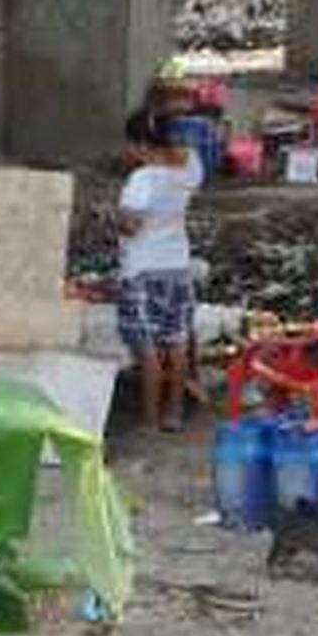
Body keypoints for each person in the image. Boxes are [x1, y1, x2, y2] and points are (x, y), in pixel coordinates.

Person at [117, 109, 205, 433]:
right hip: (178, 267)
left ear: (140, 145)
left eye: (130, 145)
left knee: (148, 347)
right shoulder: (188, 170)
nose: (128, 152)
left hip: (143, 270)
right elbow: (187, 153)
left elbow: (132, 225)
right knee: (178, 342)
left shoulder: (141, 179)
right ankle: (174, 414)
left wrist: (116, 217)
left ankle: (150, 420)